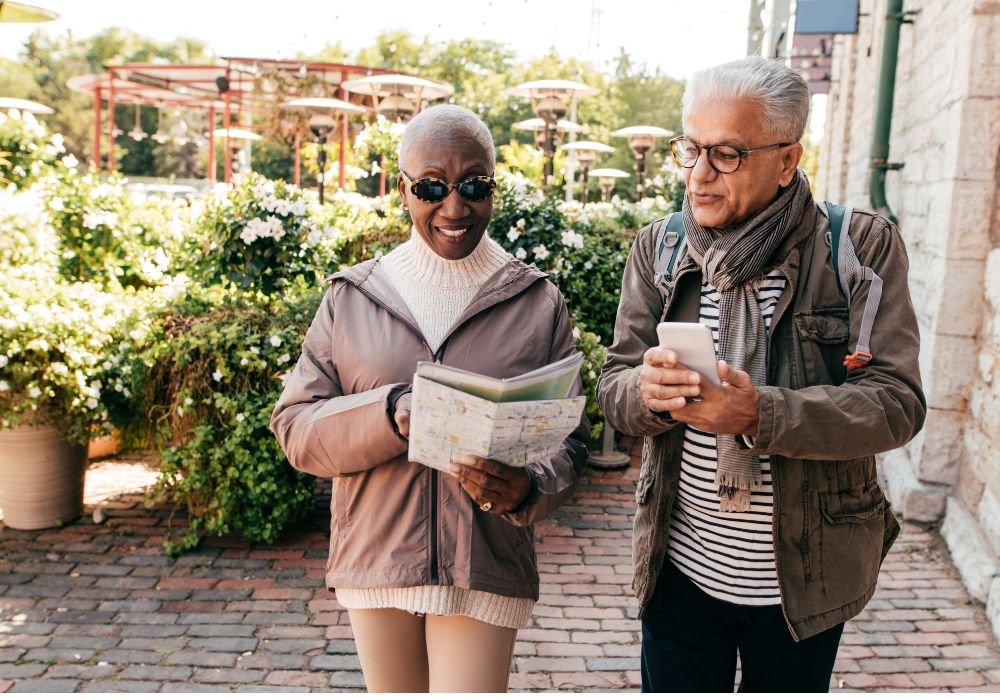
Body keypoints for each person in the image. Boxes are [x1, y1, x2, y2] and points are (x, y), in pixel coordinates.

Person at [597, 56, 925, 693]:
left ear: (786, 159)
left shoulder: (858, 248)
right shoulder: (659, 249)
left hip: (805, 582)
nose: (698, 175)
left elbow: (897, 403)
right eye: (689, 148)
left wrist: (756, 414)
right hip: (680, 571)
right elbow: (614, 385)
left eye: (725, 153)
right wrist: (645, 393)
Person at [270, 104, 589, 693]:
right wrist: (390, 413)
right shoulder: (352, 297)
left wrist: (528, 487)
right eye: (432, 187)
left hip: (485, 564)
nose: (455, 206)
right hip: (377, 560)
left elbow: (569, 442)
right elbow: (296, 428)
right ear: (402, 190)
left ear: (494, 184)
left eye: (474, 185)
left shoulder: (538, 302)